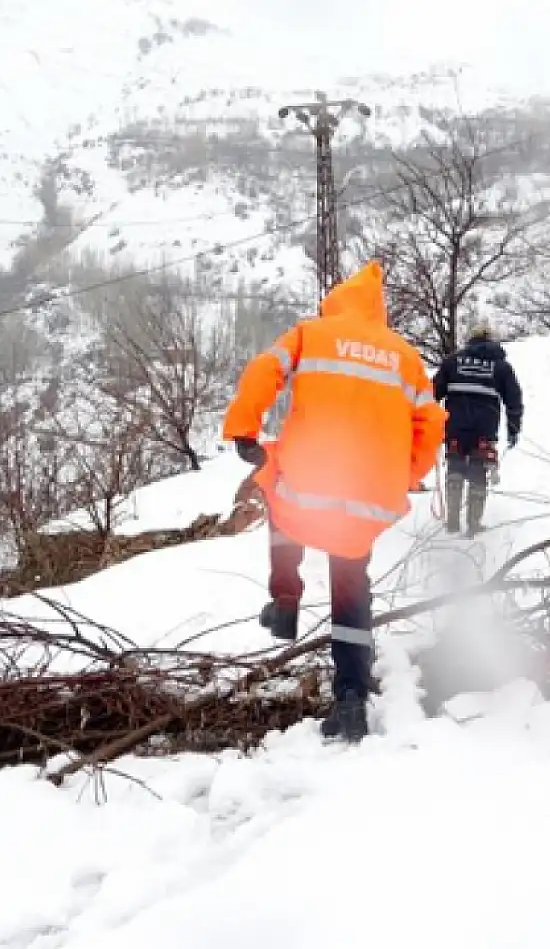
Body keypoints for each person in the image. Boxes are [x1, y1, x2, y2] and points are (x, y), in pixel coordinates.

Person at [222, 260, 446, 742]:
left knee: (278, 490)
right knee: (350, 586)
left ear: (337, 303)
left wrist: (244, 428)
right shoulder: (403, 356)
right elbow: (432, 424)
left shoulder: (312, 333)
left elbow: (266, 369)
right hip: (367, 495)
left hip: (311, 479)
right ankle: (350, 698)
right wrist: (404, 474)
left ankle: (285, 599)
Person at [432, 321, 523, 537]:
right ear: (491, 340)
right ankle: (473, 525)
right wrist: (513, 428)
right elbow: (514, 399)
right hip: (485, 426)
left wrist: (425, 422)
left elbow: (432, 393)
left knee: (454, 467)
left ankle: (452, 523)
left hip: (454, 423)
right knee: (478, 471)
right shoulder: (501, 366)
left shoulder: (452, 361)